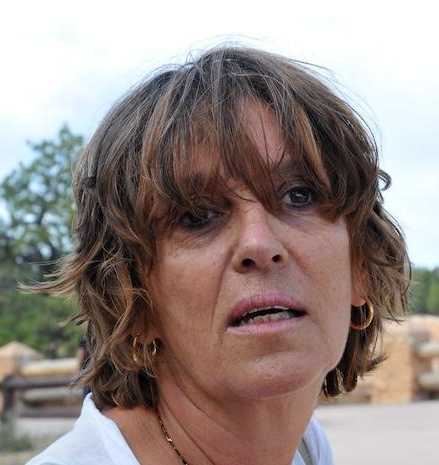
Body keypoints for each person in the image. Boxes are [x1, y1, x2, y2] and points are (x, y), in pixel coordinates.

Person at [27, 45, 410, 465]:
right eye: (197, 216)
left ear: (360, 264)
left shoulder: (308, 451)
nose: (259, 244)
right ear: (133, 299)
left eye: (298, 196)